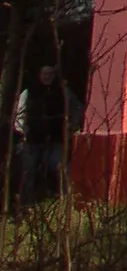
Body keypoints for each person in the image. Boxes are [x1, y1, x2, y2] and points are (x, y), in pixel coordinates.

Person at [16, 62, 81, 207]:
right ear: (39, 75)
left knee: (62, 170)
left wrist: (71, 125)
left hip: (55, 140)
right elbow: (19, 114)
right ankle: (27, 205)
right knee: (28, 173)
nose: (47, 77)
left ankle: (66, 204)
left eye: (51, 74)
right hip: (32, 141)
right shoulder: (29, 92)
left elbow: (77, 108)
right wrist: (23, 130)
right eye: (45, 74)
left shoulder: (63, 91)